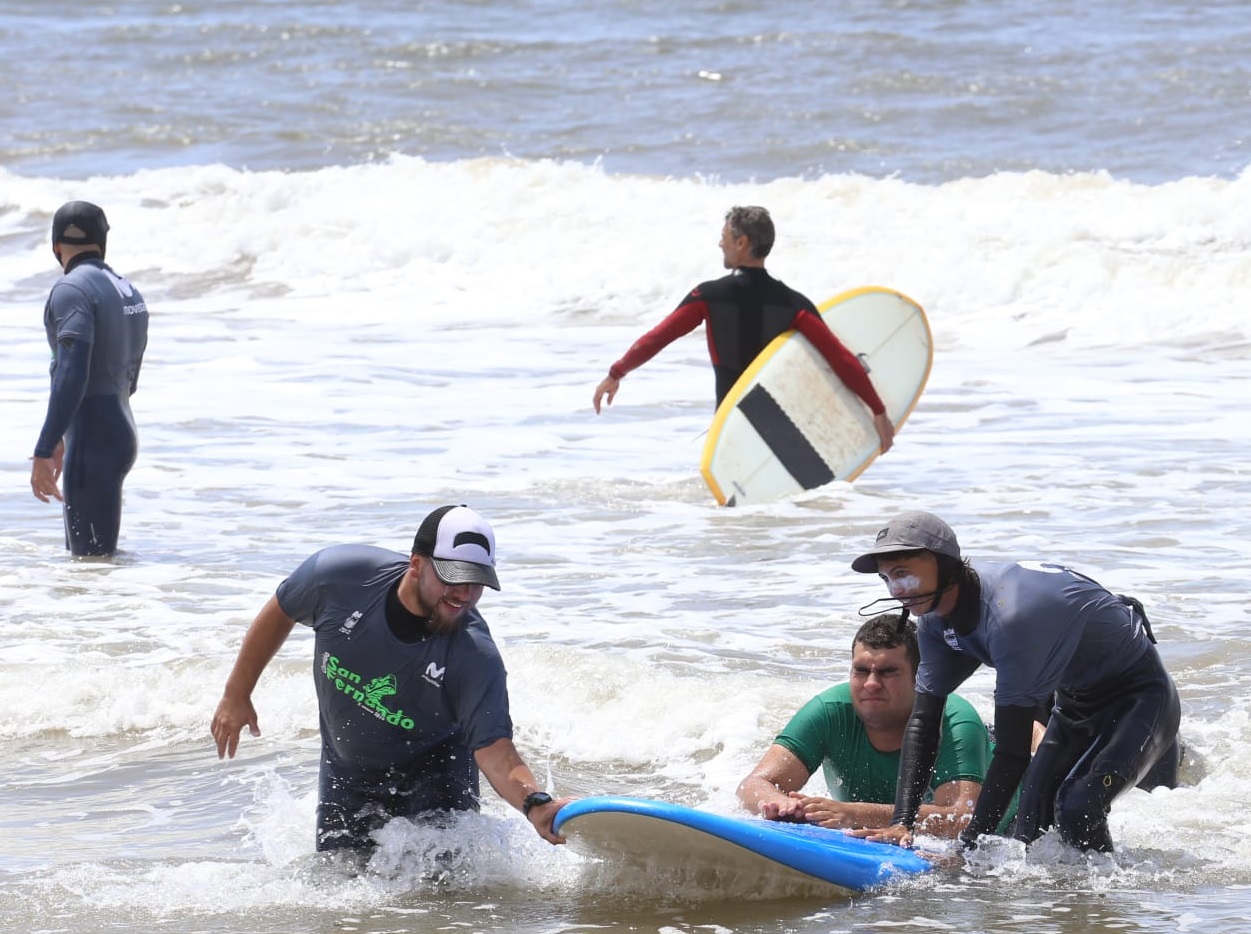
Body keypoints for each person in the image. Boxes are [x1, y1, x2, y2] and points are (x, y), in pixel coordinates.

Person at [210, 505, 571, 859]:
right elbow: (281, 609)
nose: (464, 593)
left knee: (444, 905)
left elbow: (495, 748)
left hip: (438, 773)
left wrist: (534, 803)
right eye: (453, 577)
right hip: (346, 772)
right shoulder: (339, 578)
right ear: (416, 564)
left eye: (476, 582)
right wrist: (236, 693)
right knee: (337, 891)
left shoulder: (475, 657)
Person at [849, 511, 1180, 854]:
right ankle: (1061, 905)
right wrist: (903, 822)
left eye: (902, 574)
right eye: (887, 578)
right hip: (1075, 703)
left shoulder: (1010, 617)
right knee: (1029, 832)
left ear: (944, 563)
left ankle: (1112, 901)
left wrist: (969, 849)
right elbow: (923, 723)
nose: (895, 590)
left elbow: (1012, 751)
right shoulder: (934, 621)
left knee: (1078, 809)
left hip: (1140, 699)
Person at [590, 205, 895, 455]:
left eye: (724, 236)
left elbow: (658, 338)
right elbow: (839, 359)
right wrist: (878, 411)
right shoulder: (794, 305)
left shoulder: (709, 296)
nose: (720, 243)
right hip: (783, 439)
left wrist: (617, 372)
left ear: (742, 242)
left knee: (732, 526)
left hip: (730, 437)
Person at [736, 614, 991, 837]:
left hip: (1010, 822)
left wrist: (853, 813)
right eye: (860, 671)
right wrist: (777, 803)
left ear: (921, 676)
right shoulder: (829, 710)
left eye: (888, 672)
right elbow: (753, 784)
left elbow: (960, 821)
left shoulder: (955, 721)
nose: (870, 684)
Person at [31, 200, 148, 558]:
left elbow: (73, 372)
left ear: (56, 247)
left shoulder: (71, 290)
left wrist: (45, 447)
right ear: (102, 242)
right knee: (98, 571)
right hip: (119, 431)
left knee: (89, 568)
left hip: (93, 440)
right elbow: (129, 379)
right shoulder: (127, 291)